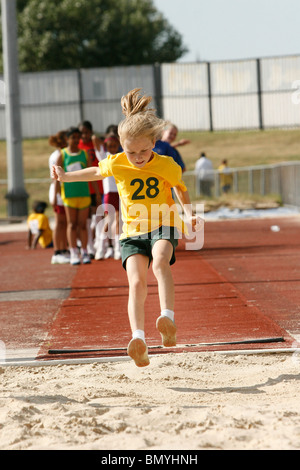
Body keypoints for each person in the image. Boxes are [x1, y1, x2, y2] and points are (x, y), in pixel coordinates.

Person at [52, 88, 202, 367]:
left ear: (154, 142)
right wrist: (65, 176)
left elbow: (181, 189)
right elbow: (96, 171)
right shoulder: (118, 162)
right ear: (122, 146)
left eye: (144, 151)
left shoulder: (167, 165)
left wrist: (189, 215)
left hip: (163, 223)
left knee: (159, 263)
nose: (138, 157)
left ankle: (167, 318)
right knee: (135, 282)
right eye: (131, 152)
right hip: (132, 233)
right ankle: (139, 340)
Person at [55, 126, 98, 265]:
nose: (75, 140)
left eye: (77, 137)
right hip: (69, 194)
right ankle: (73, 251)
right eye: (72, 137)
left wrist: (97, 193)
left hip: (84, 193)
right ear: (67, 139)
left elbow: (92, 174)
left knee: (83, 224)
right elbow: (56, 176)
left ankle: (84, 251)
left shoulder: (84, 154)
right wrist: (56, 196)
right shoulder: (62, 154)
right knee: (72, 224)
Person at [93, 133, 121, 260]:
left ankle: (117, 248)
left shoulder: (122, 156)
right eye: (110, 145)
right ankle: (100, 247)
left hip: (120, 193)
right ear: (106, 145)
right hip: (109, 193)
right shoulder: (103, 156)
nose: (113, 147)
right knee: (108, 221)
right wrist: (107, 137)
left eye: (115, 145)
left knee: (117, 221)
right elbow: (94, 138)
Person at [78, 120, 103, 258]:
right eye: (82, 132)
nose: (84, 135)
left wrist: (95, 139)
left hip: (97, 185)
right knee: (86, 219)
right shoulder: (78, 145)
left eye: (87, 132)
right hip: (84, 187)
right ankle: (88, 246)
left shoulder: (94, 144)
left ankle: (100, 244)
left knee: (99, 216)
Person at [48, 130, 69, 264]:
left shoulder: (60, 153)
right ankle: (57, 251)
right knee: (59, 223)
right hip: (58, 190)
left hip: (62, 190)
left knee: (64, 223)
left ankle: (63, 249)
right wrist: (56, 196)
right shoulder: (57, 155)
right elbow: (56, 178)